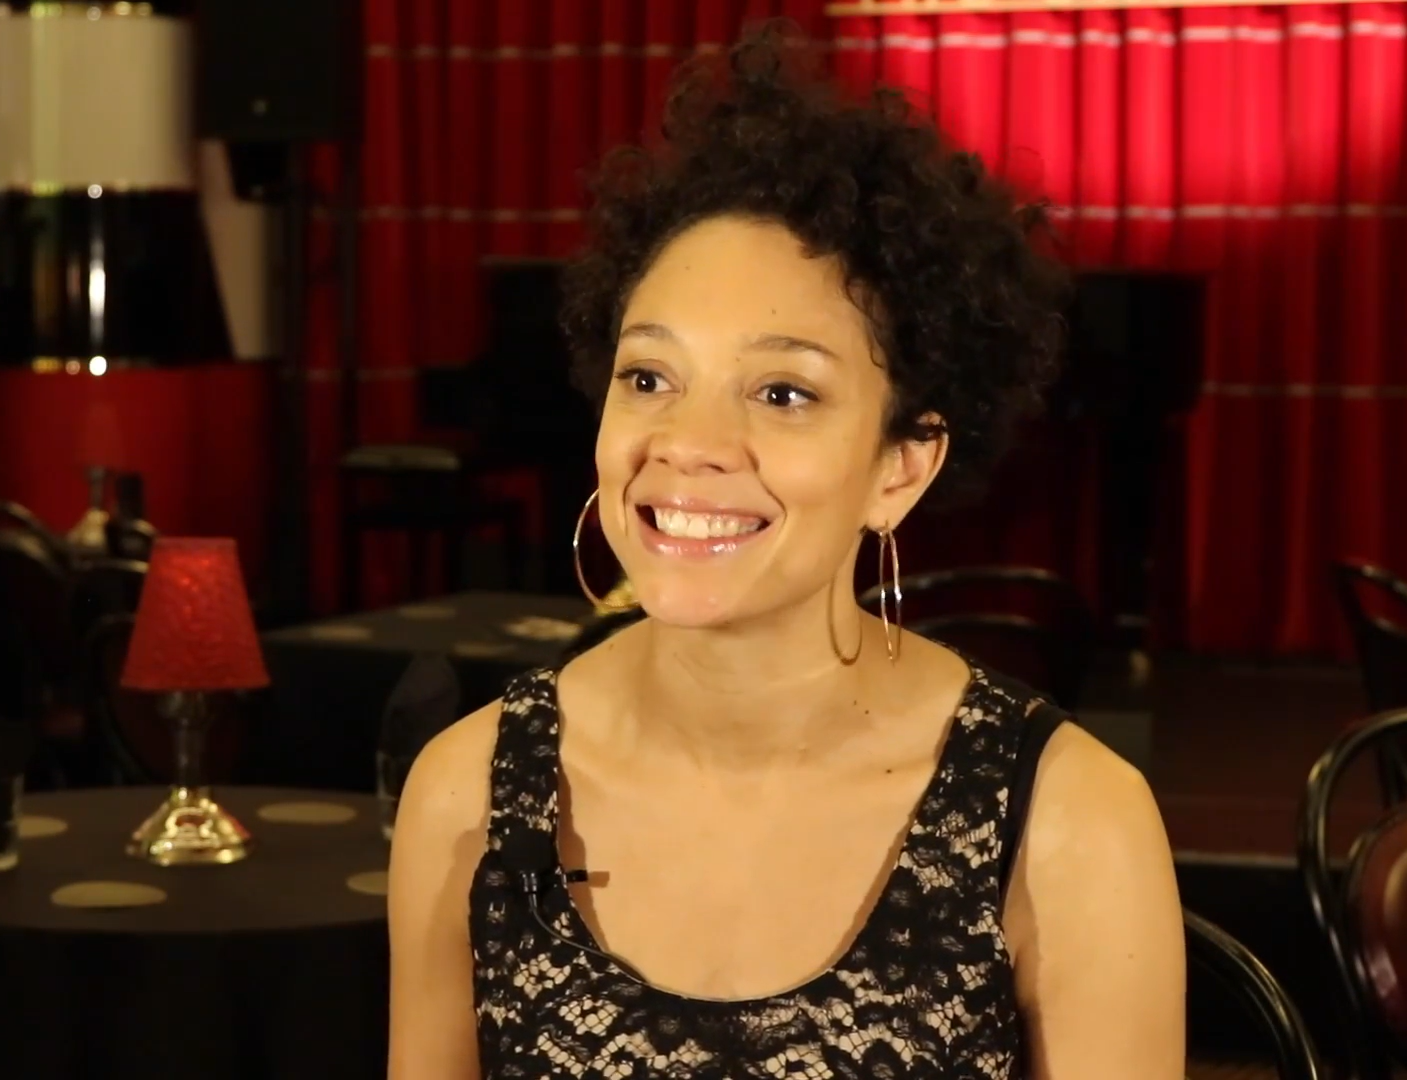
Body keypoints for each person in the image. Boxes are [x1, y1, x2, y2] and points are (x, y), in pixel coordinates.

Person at [388, 25, 1183, 1080]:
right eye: (649, 377)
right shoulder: (468, 792)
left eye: (783, 393)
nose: (689, 446)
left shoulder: (1070, 818)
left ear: (901, 466)